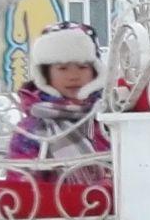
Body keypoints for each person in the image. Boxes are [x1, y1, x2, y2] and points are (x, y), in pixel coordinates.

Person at [9, 20, 109, 171]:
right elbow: (21, 185)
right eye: (62, 68)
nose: (73, 76)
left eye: (82, 67)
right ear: (45, 74)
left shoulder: (109, 118)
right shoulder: (31, 131)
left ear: (96, 71)